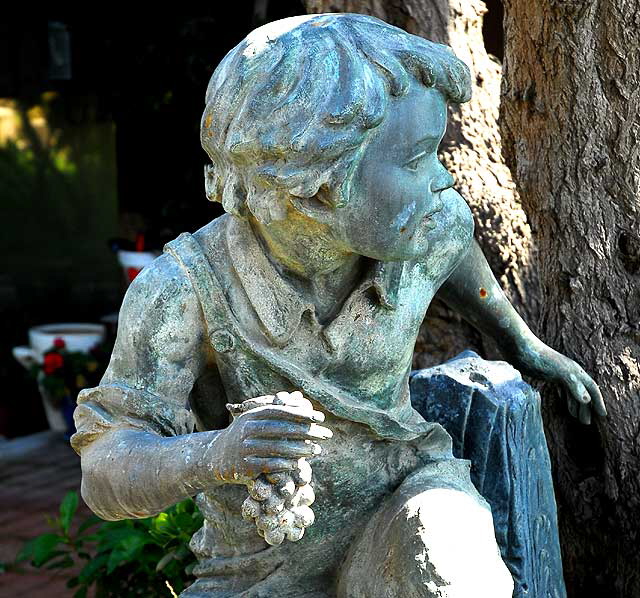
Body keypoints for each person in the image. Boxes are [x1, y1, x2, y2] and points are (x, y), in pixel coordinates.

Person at [72, 14, 606, 597]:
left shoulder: (419, 230)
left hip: (403, 503)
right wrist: (216, 453)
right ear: (318, 182)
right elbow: (105, 469)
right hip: (258, 565)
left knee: (450, 568)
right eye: (416, 158)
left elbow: (455, 247)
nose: (443, 180)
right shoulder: (184, 290)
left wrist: (521, 342)